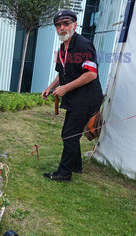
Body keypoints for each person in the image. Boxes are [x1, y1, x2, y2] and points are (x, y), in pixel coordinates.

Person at [41, 10, 103, 182]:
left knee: (69, 134)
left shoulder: (83, 45)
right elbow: (62, 74)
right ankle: (76, 166)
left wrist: (64, 89)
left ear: (75, 25)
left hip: (87, 98)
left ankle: (64, 173)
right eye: (58, 25)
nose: (62, 28)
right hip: (75, 97)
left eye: (66, 24)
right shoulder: (62, 48)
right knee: (70, 134)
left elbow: (91, 74)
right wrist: (50, 87)